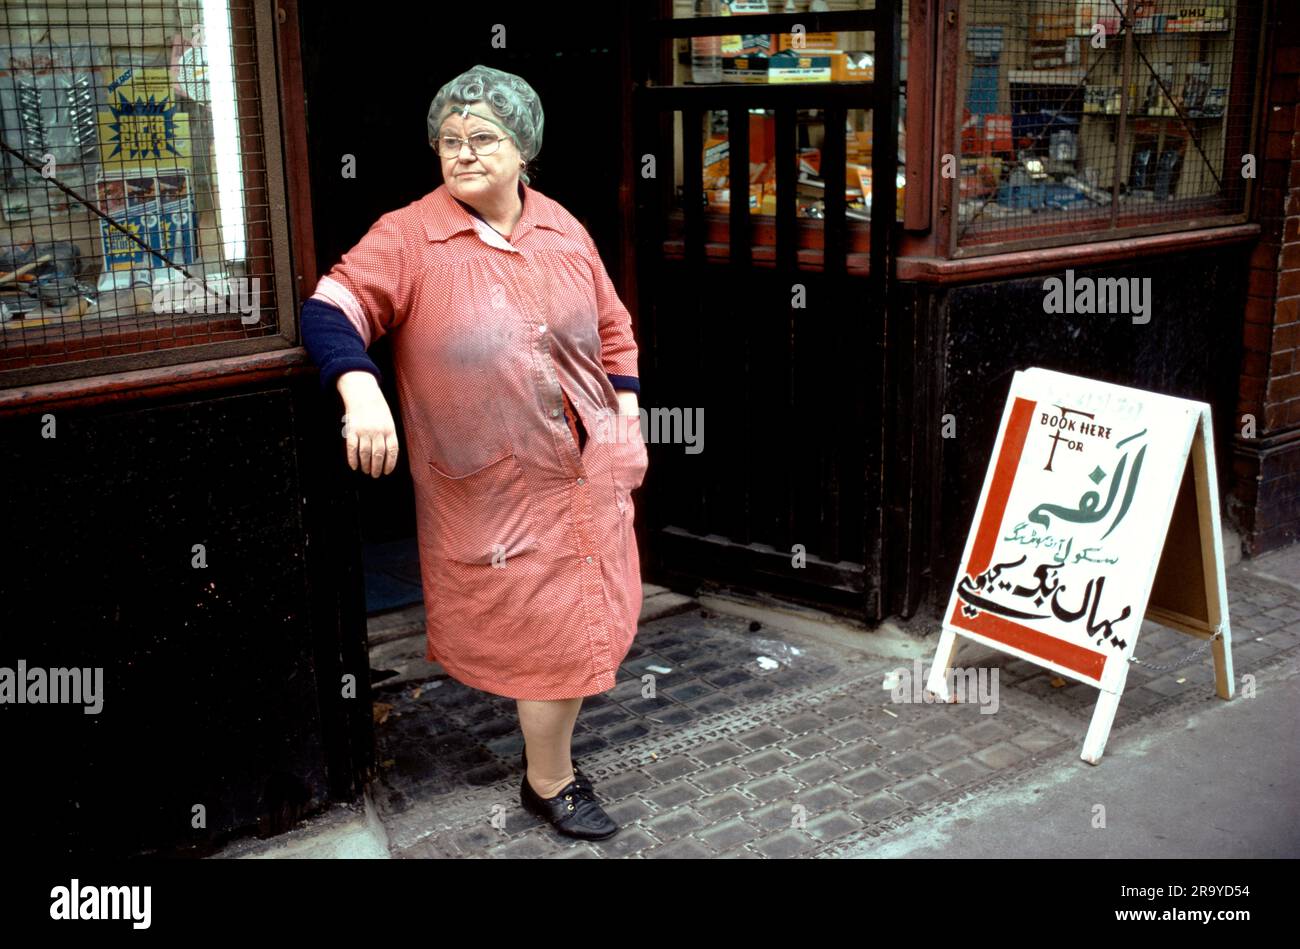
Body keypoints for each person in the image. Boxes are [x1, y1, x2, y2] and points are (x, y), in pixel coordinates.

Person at [301, 64, 648, 841]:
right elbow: (332, 308)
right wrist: (361, 392)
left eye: (483, 138)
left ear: (524, 149)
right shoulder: (409, 236)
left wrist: (625, 418)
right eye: (449, 140)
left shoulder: (562, 225)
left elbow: (614, 328)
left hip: (588, 468)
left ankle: (548, 769)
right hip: (495, 488)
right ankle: (551, 780)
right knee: (550, 635)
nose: (463, 152)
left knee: (579, 622)